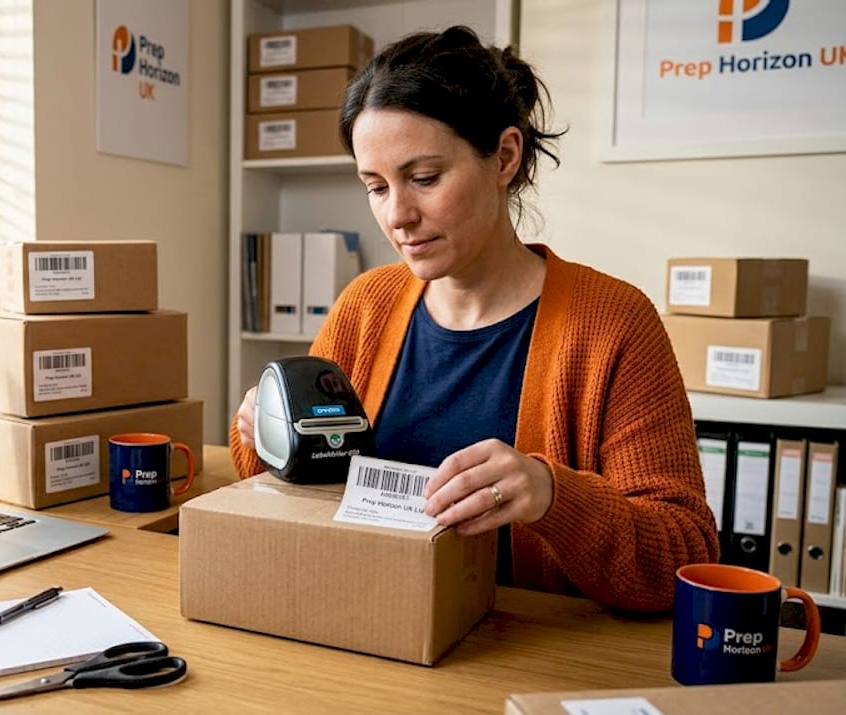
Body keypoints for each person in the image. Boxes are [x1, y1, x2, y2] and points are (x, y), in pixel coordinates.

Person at [229, 26, 719, 612]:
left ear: (505, 156)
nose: (398, 215)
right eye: (375, 186)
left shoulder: (613, 323)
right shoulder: (365, 306)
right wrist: (262, 431)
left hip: (527, 654)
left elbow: (682, 558)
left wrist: (553, 497)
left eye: (424, 178)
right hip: (367, 621)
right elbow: (290, 492)